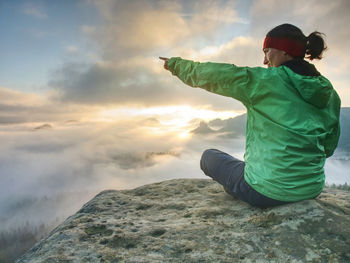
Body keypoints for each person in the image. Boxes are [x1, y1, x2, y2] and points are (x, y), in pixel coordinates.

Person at [160, 23, 341, 208]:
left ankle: (244, 188)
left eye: (267, 51)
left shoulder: (265, 81)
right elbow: (329, 147)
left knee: (209, 157)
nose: (264, 60)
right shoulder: (329, 93)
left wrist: (176, 65)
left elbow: (217, 75)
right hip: (311, 188)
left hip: (267, 193)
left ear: (285, 50)